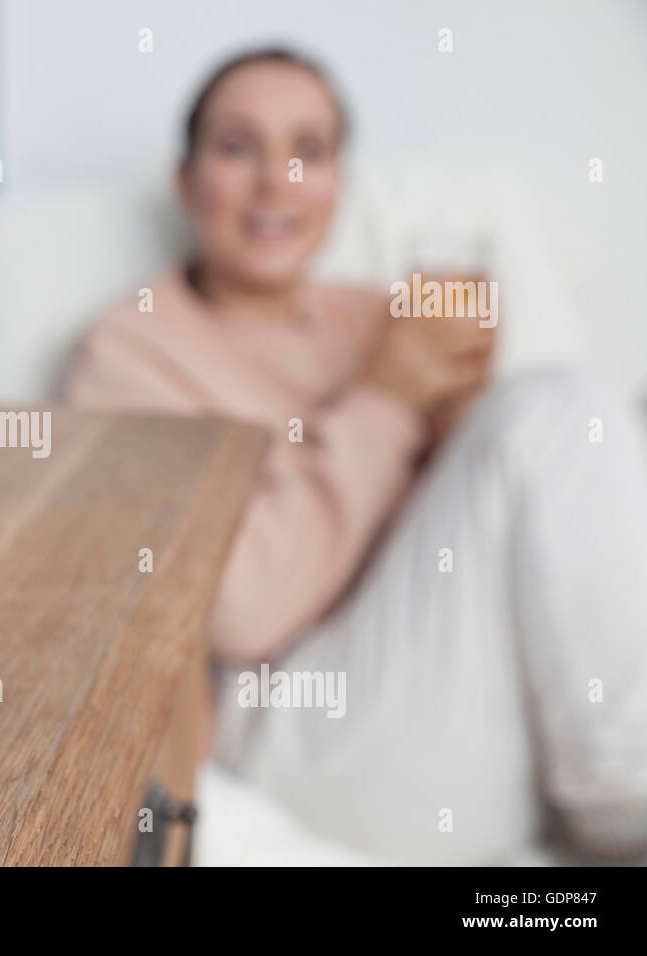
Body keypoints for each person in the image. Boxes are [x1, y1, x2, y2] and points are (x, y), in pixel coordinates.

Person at [64, 48, 647, 864]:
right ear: (187, 180)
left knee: (581, 419)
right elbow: (244, 611)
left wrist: (455, 420)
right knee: (560, 407)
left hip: (459, 698)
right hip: (294, 728)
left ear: (339, 182)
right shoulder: (130, 351)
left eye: (310, 151)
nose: (277, 181)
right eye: (238, 147)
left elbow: (494, 528)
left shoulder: (375, 313)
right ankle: (630, 793)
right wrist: (388, 398)